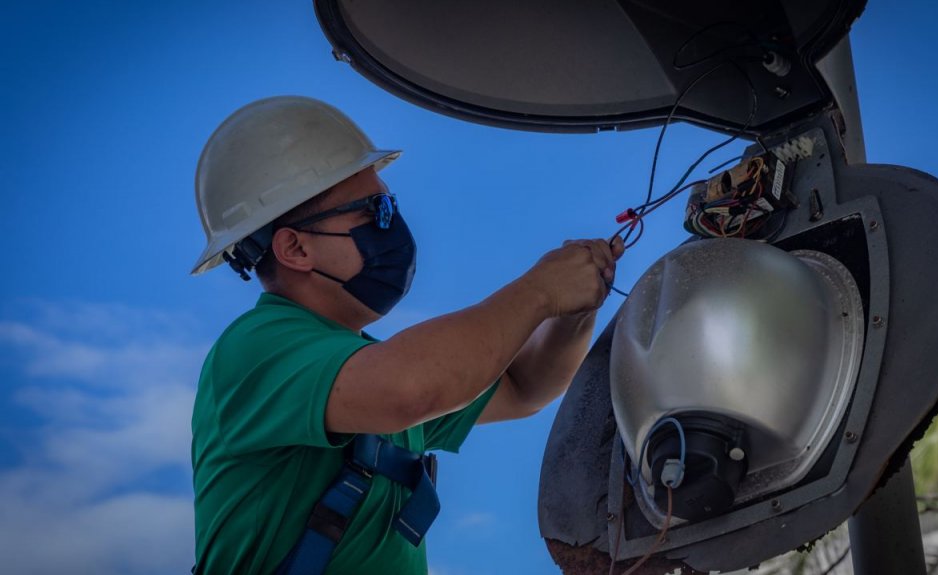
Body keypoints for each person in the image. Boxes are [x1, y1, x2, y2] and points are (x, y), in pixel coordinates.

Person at [189, 96, 624, 574]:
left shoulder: (356, 371)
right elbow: (414, 388)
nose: (392, 226)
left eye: (390, 206)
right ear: (294, 247)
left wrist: (573, 309)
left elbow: (524, 388)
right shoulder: (256, 347)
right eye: (374, 212)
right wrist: (539, 291)